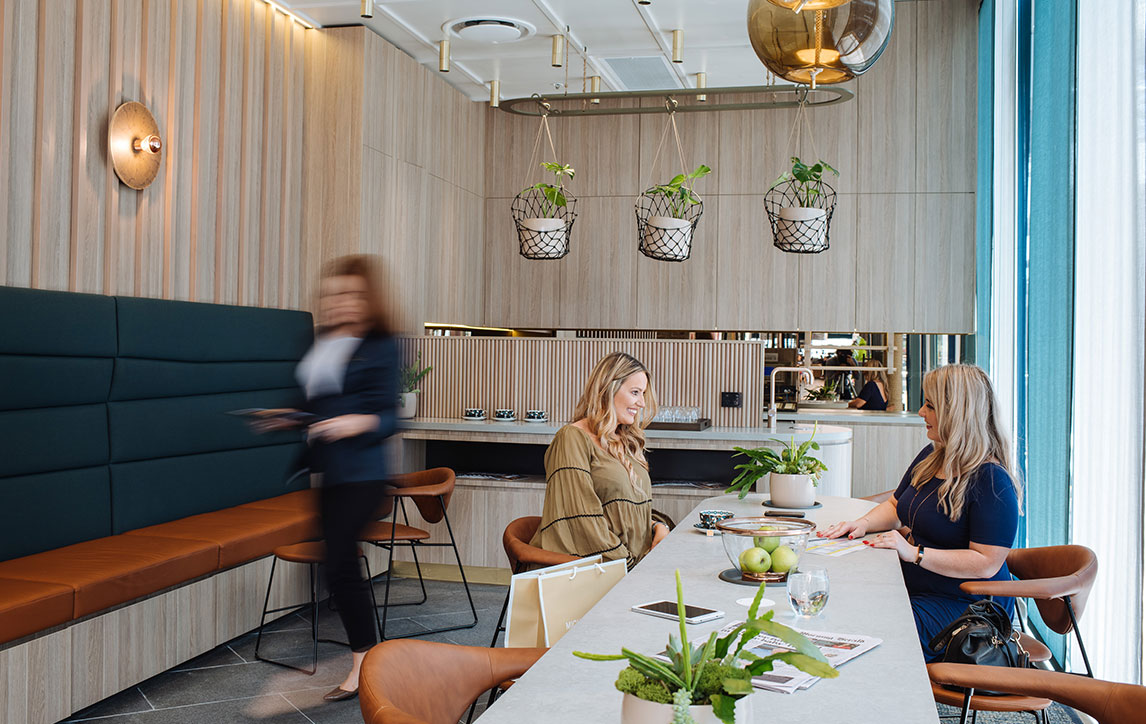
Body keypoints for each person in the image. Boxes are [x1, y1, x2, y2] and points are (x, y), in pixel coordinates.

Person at [255, 254, 398, 701]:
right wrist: (288, 417)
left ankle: (364, 666)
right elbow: (314, 404)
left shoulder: (380, 345)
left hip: (363, 474)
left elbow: (390, 416)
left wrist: (354, 423)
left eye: (353, 294)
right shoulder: (323, 341)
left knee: (340, 564)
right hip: (329, 473)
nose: (342, 302)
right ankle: (367, 654)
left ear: (369, 298)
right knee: (335, 569)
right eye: (335, 294)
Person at [818, 364, 1022, 661]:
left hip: (965, 605)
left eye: (930, 405)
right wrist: (861, 523)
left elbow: (985, 564)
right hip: (918, 586)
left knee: (871, 629)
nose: (921, 412)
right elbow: (895, 506)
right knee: (846, 602)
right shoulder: (933, 455)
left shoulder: (991, 480)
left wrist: (915, 553)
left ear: (957, 413)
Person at [529, 352, 669, 568]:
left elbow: (622, 512)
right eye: (635, 392)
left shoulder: (626, 441)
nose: (641, 403)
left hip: (629, 565)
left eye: (642, 394)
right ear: (608, 389)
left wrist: (656, 526)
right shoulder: (572, 438)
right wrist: (631, 567)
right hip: (600, 571)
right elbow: (582, 520)